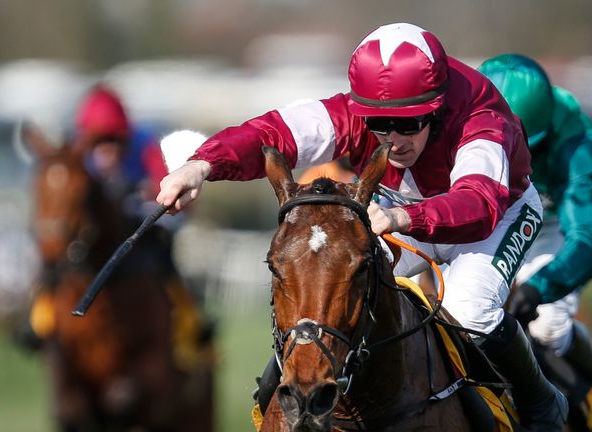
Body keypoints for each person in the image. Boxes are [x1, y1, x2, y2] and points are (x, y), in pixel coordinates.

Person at [157, 23, 567, 431]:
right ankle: (278, 392)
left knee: (468, 310)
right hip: (402, 209)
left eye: (409, 124)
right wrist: (201, 165)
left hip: (496, 216)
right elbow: (271, 132)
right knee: (332, 273)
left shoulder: (480, 117)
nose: (394, 139)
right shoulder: (351, 114)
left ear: (438, 106)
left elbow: (480, 201)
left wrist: (404, 217)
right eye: (379, 125)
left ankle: (541, 403)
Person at [479, 54, 592, 429]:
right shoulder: (450, 118)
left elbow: (590, 237)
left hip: (543, 228)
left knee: (547, 326)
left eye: (527, 147)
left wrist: (539, 288)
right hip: (477, 224)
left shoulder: (569, 129)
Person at [22, 85, 209, 372]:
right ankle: (38, 323)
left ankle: (192, 321)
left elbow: (180, 206)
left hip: (139, 233)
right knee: (54, 267)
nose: (106, 151)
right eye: (97, 143)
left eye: (113, 141)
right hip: (88, 241)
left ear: (125, 136)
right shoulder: (73, 152)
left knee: (165, 262)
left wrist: (146, 207)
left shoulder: (147, 145)